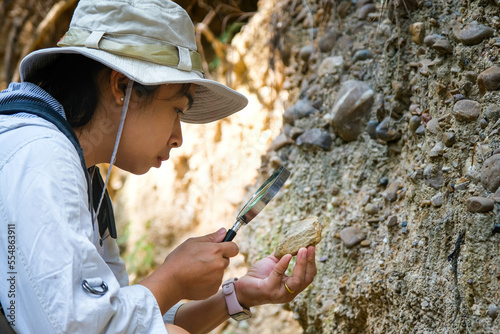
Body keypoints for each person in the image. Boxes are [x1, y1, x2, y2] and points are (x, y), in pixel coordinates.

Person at [0, 0, 317, 333]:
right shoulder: (43, 160)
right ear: (122, 86)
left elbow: (123, 316)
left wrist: (238, 296)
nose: (178, 138)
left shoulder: (77, 171)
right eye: (178, 110)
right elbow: (81, 328)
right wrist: (173, 278)